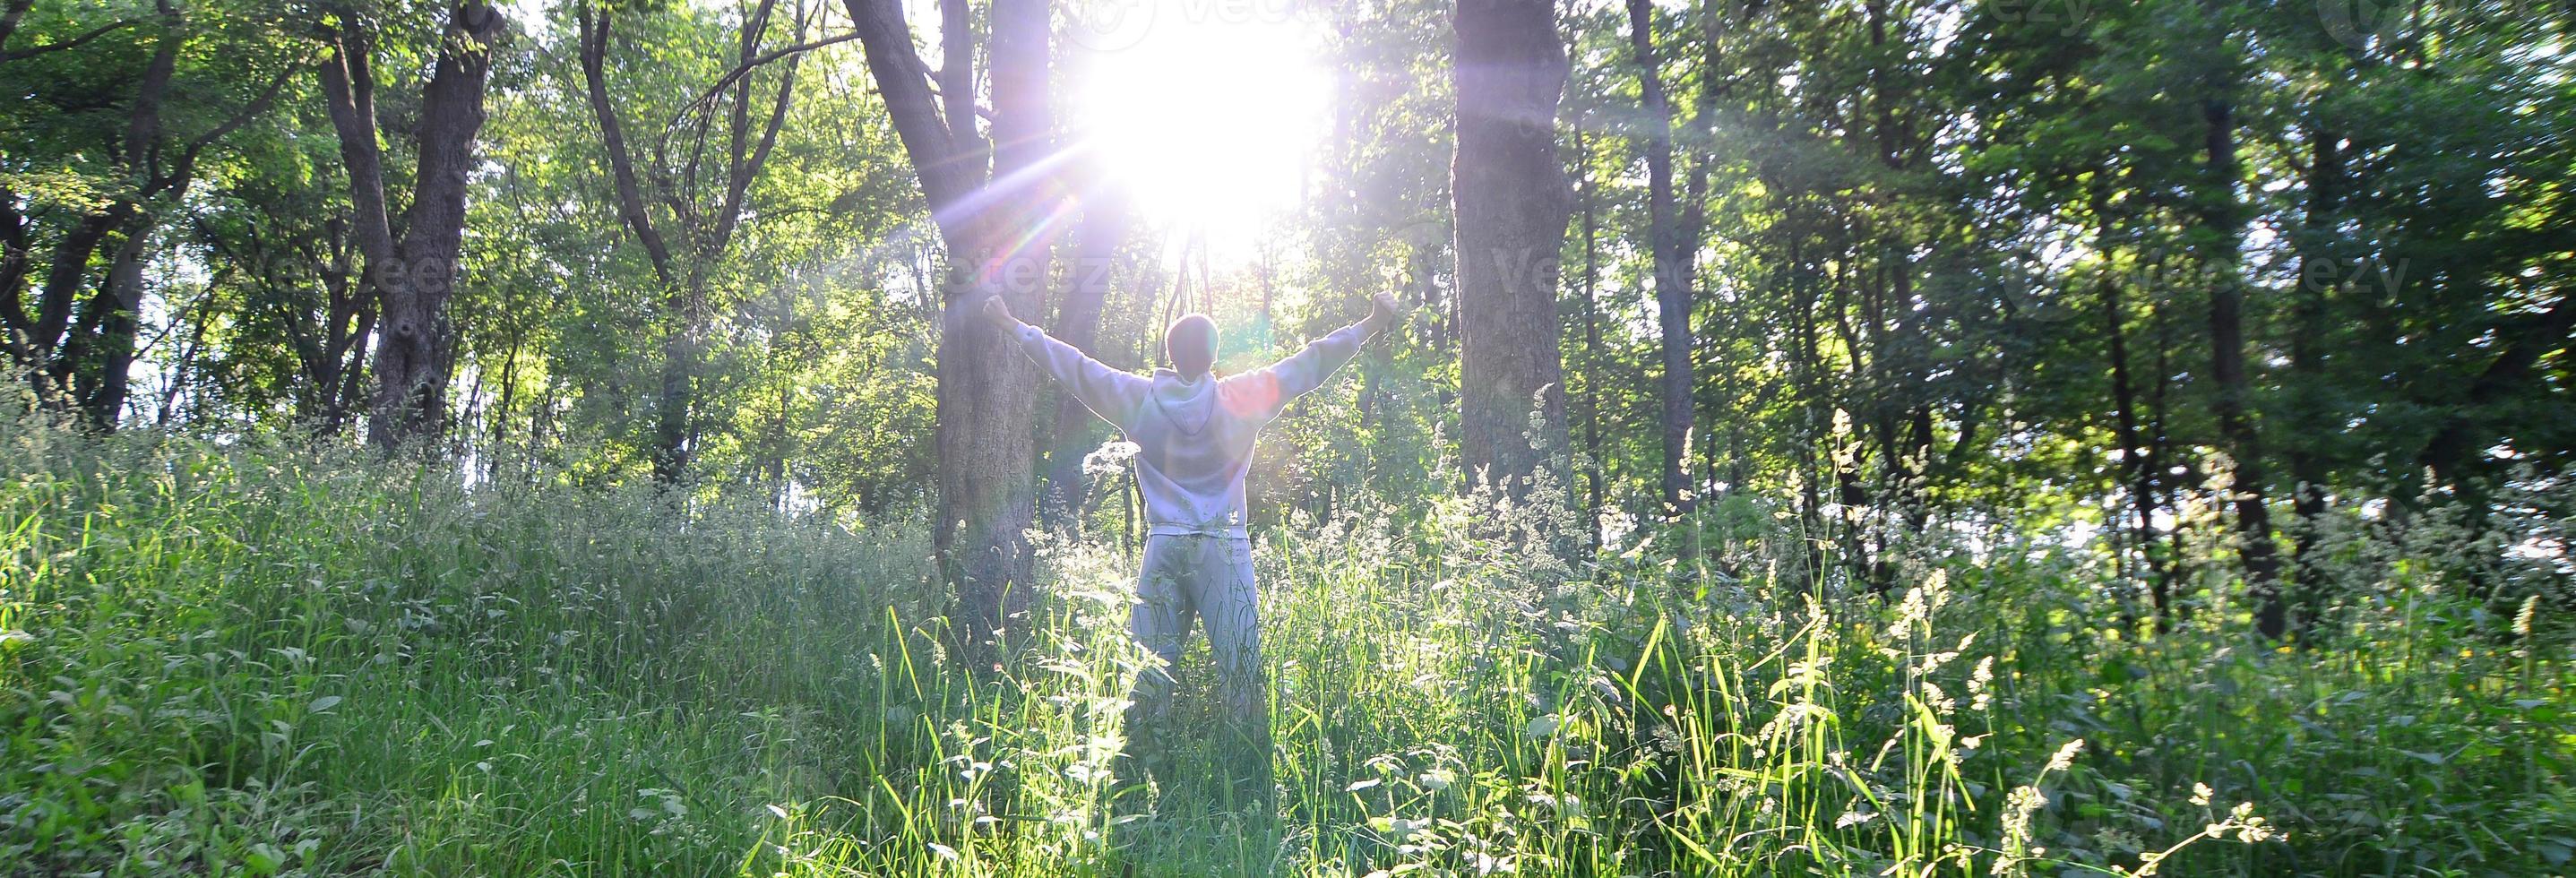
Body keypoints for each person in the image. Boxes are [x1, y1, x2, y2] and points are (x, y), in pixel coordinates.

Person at [982, 290, 1400, 812]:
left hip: (1164, 546)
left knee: (1149, 670)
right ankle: (1250, 781)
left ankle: (1136, 783)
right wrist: (1370, 322)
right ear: (1214, 355)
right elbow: (1310, 362)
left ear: (1170, 352)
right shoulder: (1240, 398)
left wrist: (1012, 324)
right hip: (1224, 549)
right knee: (1241, 668)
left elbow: (1074, 366)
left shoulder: (1137, 398)